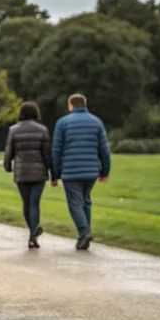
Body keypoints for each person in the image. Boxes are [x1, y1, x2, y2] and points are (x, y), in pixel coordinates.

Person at [50, 93, 111, 250]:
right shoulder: (97, 122)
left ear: (70, 106)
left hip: (71, 171)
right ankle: (84, 236)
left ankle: (84, 232)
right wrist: (105, 170)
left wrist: (54, 174)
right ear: (85, 104)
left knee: (75, 203)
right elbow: (104, 149)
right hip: (91, 171)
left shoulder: (62, 123)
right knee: (86, 201)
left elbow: (56, 150)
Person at [3, 101, 52, 249]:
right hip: (39, 173)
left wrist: (7, 166)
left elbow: (9, 151)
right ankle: (33, 235)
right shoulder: (42, 130)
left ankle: (32, 232)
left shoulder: (13, 130)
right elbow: (47, 155)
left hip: (22, 172)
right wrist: (53, 171)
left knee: (26, 203)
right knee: (34, 203)